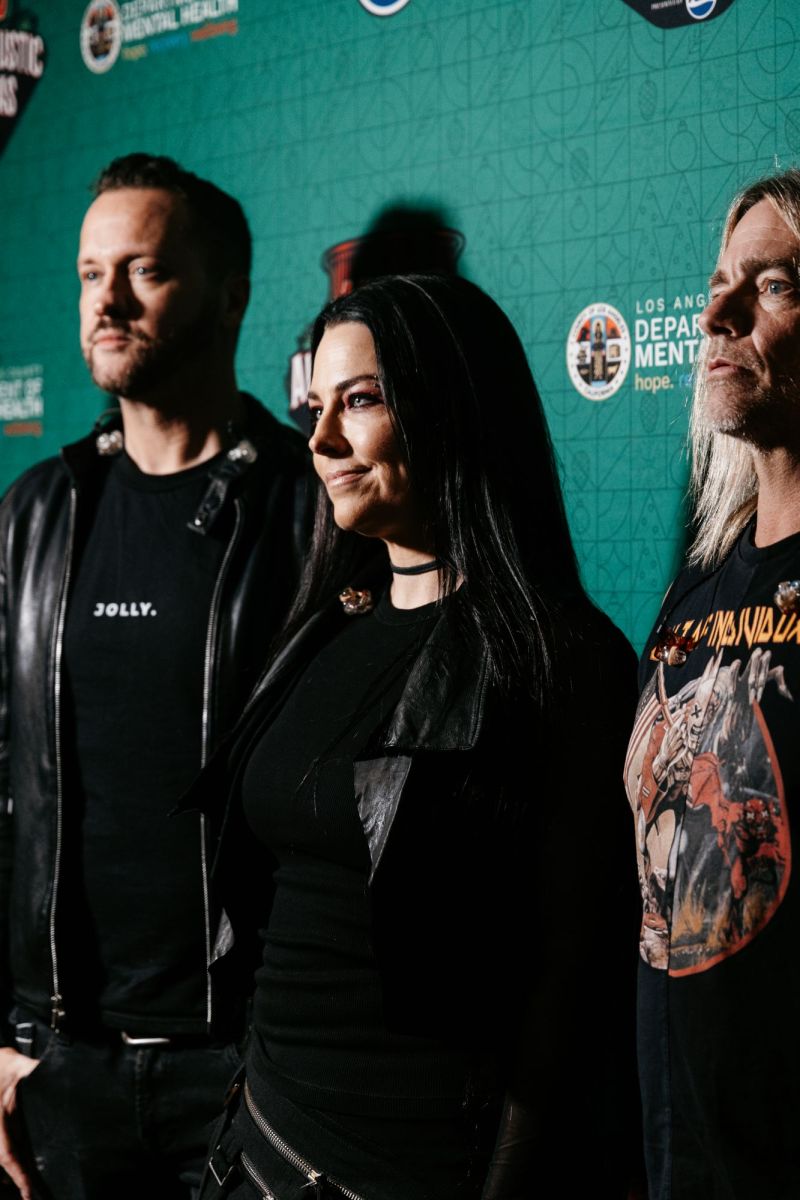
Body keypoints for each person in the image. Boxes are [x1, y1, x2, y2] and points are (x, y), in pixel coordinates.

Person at [193, 274, 641, 1199]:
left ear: (452, 406)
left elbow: (570, 987)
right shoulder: (325, 626)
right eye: (316, 405)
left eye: (360, 401)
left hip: (407, 1170)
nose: (320, 440)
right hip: (251, 1148)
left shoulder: (563, 658)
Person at [0, 153, 308, 1199]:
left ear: (230, 295)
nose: (108, 301)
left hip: (247, 1065)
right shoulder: (37, 514)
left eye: (145, 270)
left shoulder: (307, 510)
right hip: (62, 1065)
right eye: (92, 274)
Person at [625, 167, 800, 1199]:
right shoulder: (698, 580)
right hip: (674, 1155)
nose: (714, 315)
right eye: (717, 282)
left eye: (772, 284)